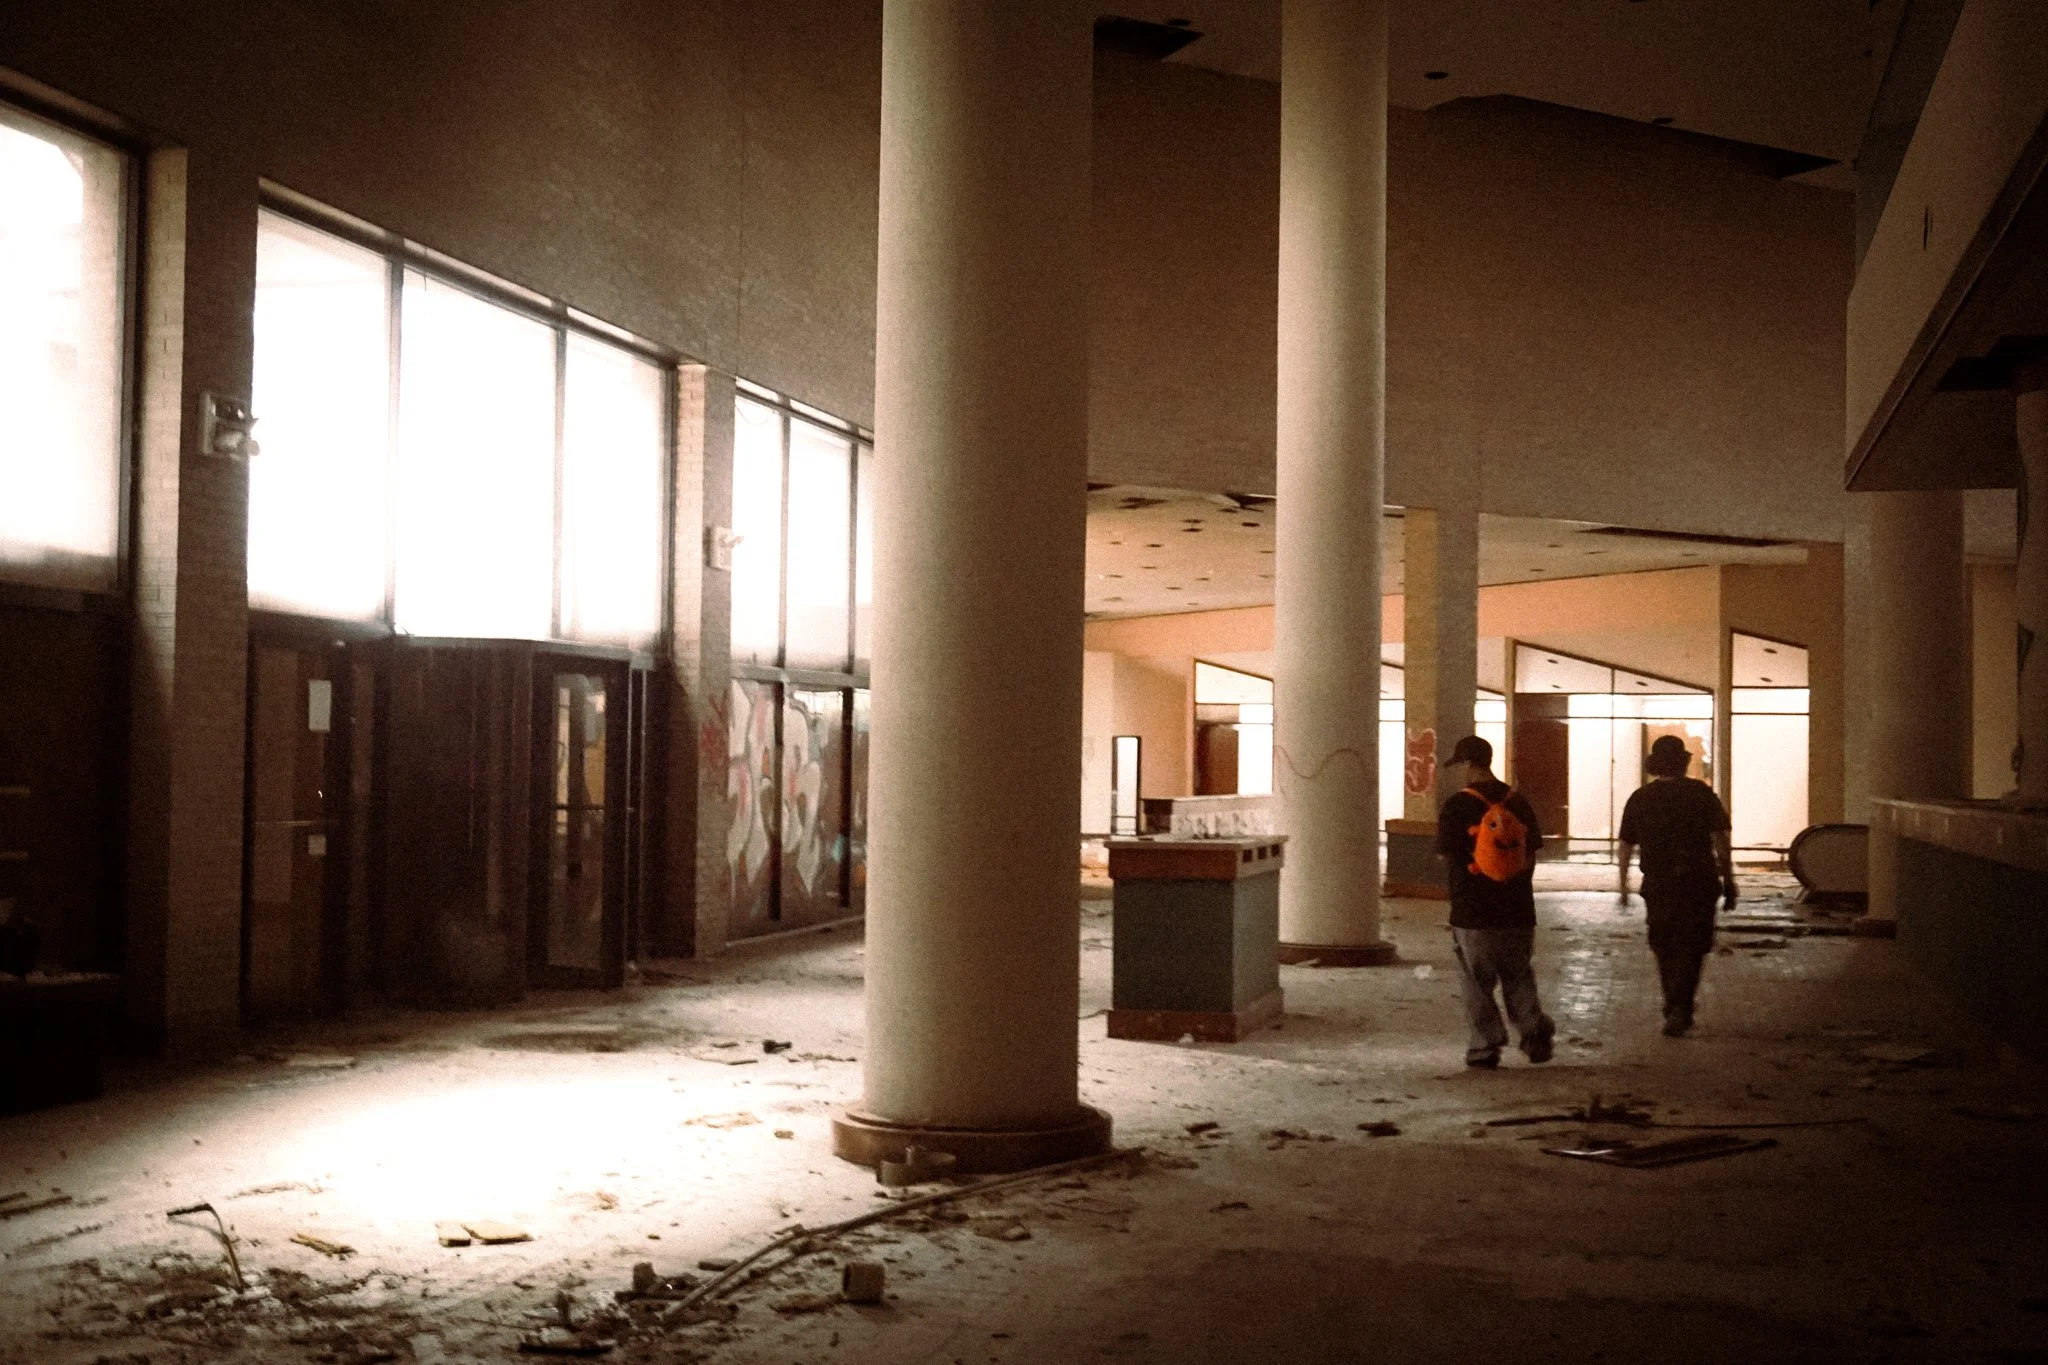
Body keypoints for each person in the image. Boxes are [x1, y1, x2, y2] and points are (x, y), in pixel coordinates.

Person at [1435, 735, 1554, 1068]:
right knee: (1518, 973)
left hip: (1473, 912)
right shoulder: (1518, 801)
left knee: (1476, 982)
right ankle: (1532, 1031)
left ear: (1467, 765)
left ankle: (1485, 1046)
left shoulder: (1458, 805)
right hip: (1518, 910)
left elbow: (1447, 856)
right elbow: (1532, 854)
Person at [1617, 734, 1736, 1037]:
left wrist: (1623, 886)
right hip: (1699, 882)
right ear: (1684, 762)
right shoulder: (1701, 794)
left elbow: (1626, 845)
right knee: (1693, 946)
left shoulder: (1640, 798)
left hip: (1659, 885)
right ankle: (1682, 1005)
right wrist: (1729, 879)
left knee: (1664, 945)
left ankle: (1673, 1004)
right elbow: (1720, 840)